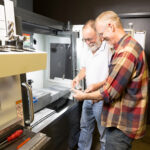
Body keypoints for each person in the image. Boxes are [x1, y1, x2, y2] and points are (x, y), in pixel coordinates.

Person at [72, 11, 148, 150]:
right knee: (86, 127)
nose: (102, 38)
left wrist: (84, 95)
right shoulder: (125, 47)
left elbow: (108, 92)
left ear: (111, 26)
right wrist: (78, 80)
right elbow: (112, 80)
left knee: (106, 138)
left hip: (122, 120)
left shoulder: (126, 52)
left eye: (101, 35)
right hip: (112, 110)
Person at [72, 20, 112, 150]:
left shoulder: (109, 50)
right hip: (87, 97)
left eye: (90, 39)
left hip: (102, 99)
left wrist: (96, 86)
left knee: (104, 134)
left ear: (99, 35)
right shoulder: (87, 50)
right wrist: (77, 78)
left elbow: (113, 78)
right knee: (85, 128)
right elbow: (84, 68)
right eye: (85, 40)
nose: (88, 43)